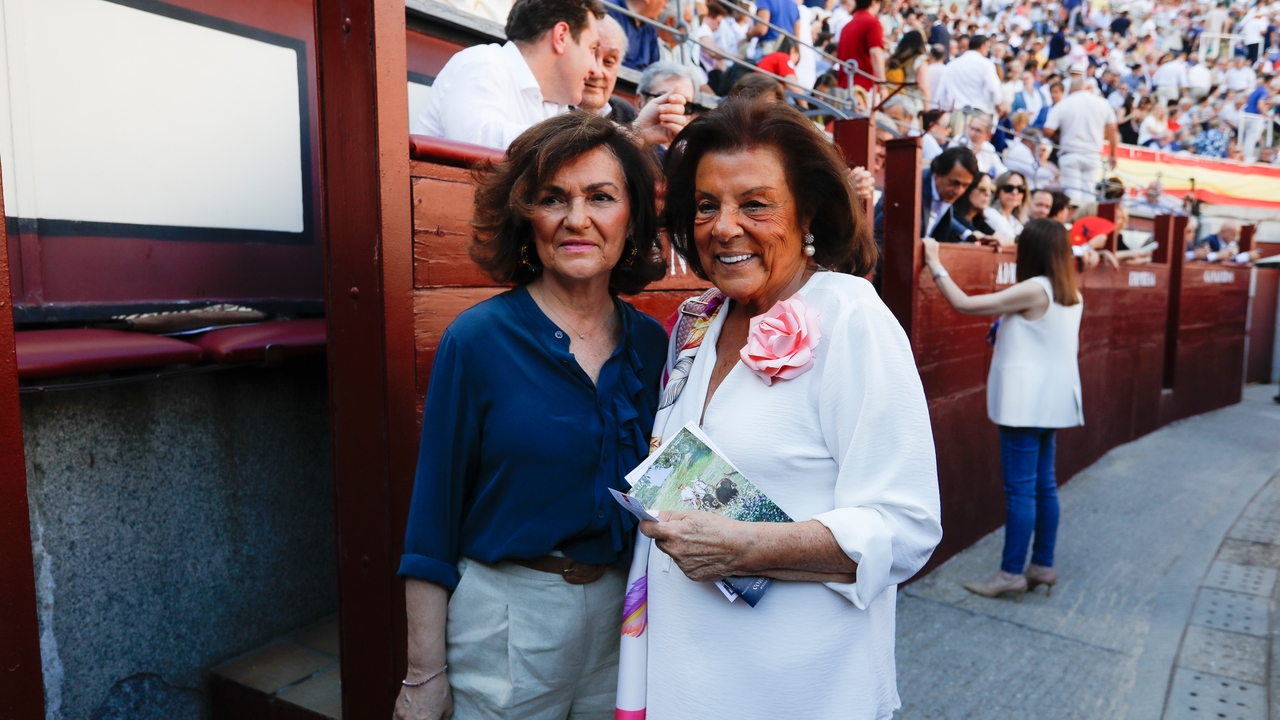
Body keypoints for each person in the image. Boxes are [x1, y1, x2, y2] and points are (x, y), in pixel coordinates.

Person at [619, 97, 941, 720]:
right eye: (707, 205)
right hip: (686, 680)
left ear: (808, 212)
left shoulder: (852, 318)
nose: (723, 226)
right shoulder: (697, 322)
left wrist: (748, 548)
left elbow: (906, 528)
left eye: (755, 204)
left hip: (800, 689)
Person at [396, 112, 669, 720]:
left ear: (632, 218)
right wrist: (423, 675)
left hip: (626, 621)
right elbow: (432, 519)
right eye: (554, 199)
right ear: (528, 217)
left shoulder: (655, 346)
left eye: (601, 197)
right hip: (507, 623)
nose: (577, 219)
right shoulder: (478, 340)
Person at [922, 219, 1083, 600]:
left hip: (1025, 405)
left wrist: (934, 260)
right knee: (1044, 485)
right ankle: (1042, 564)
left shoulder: (1033, 289)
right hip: (1055, 401)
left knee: (1021, 491)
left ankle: (1011, 572)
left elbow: (963, 303)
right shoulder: (1068, 290)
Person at [413, 0, 604, 148]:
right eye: (592, 48)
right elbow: (478, 148)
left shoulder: (556, 105)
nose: (596, 71)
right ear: (561, 36)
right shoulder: (484, 61)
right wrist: (575, 137)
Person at [875, 146, 980, 244]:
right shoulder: (910, 187)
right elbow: (878, 232)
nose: (959, 191)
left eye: (965, 186)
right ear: (937, 173)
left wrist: (969, 234)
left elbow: (939, 216)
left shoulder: (940, 189)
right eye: (954, 183)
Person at [1044, 77, 1118, 204]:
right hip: (1092, 154)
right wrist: (1113, 155)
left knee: (1072, 195)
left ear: (1071, 90)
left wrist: (1058, 137)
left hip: (1070, 153)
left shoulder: (1063, 103)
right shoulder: (1102, 103)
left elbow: (1048, 130)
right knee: (1089, 196)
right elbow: (1112, 129)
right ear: (1086, 88)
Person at [579, 15, 636, 122]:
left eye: (609, 62)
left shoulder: (626, 113)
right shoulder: (550, 108)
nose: (598, 72)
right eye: (591, 55)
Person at [934, 34, 1006, 116]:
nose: (987, 51)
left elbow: (940, 93)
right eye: (987, 47)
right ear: (983, 46)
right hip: (976, 114)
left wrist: (941, 112)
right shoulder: (986, 64)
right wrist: (998, 104)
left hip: (955, 113)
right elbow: (994, 88)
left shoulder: (951, 65)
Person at [837, 0, 887, 91]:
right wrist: (883, 86)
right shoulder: (873, 23)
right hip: (865, 87)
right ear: (873, 2)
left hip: (844, 86)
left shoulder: (846, 27)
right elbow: (876, 54)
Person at [608, 0, 663, 70]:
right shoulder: (609, 9)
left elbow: (654, 68)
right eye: (665, 0)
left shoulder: (650, 29)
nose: (665, 5)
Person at [984, 169, 1029, 244]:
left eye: (1020, 189)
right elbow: (1014, 240)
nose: (1015, 192)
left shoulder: (1016, 222)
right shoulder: (990, 213)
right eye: (1009, 188)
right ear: (998, 192)